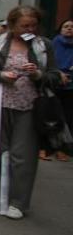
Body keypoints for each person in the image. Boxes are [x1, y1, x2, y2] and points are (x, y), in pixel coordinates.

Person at [0, 6, 62, 219]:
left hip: (29, 107)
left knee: (22, 157)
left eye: (33, 25)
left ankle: (18, 203)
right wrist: (1, 75)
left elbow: (54, 76)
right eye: (24, 26)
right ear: (12, 24)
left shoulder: (44, 45)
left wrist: (38, 75)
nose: (29, 29)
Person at [50, 18, 73, 162]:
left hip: (71, 86)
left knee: (69, 117)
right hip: (55, 83)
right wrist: (58, 73)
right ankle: (50, 146)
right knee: (52, 116)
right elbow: (48, 63)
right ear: (60, 29)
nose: (70, 28)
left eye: (72, 26)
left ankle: (64, 148)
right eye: (66, 26)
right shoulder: (53, 43)